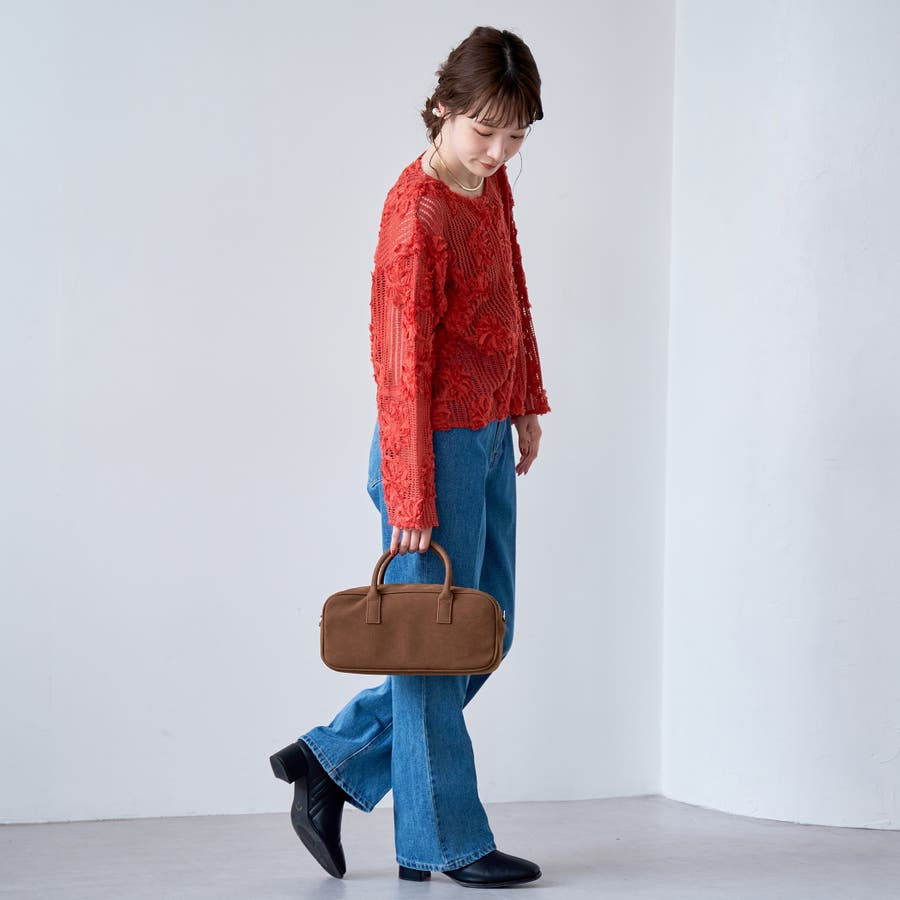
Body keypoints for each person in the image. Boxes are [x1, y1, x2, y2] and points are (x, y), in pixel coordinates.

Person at [269, 25, 550, 889]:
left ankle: (334, 760)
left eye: (516, 135)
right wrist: (411, 496)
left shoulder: (485, 187)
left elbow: (510, 290)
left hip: (486, 434)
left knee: (484, 631)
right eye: (484, 130)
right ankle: (444, 841)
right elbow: (399, 368)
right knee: (433, 650)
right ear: (441, 108)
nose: (498, 151)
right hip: (427, 450)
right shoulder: (417, 215)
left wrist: (525, 398)